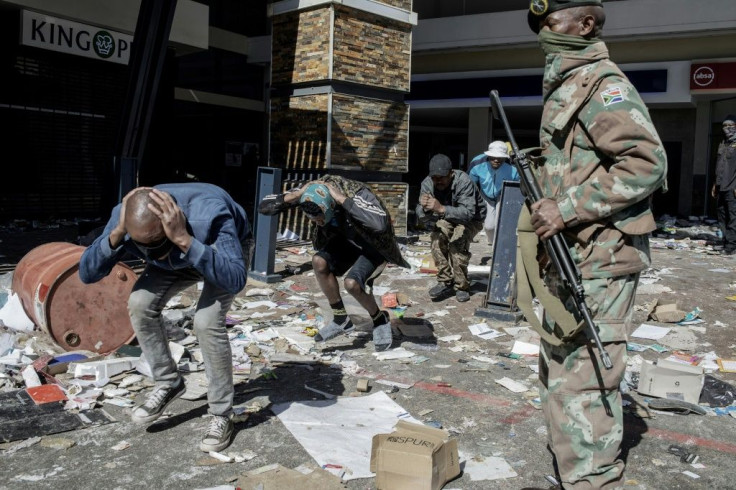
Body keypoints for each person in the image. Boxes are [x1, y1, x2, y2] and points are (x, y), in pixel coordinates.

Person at [524, 1, 667, 488]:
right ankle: (572, 467)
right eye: (539, 24)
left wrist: (565, 209)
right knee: (560, 365)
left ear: (585, 25)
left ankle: (591, 479)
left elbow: (646, 163)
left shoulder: (605, 86)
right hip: (570, 256)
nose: (544, 30)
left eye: (551, 21)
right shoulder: (570, 85)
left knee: (585, 371)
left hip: (602, 256)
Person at [79, 183, 252, 453]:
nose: (153, 253)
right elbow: (86, 274)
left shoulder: (210, 215)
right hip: (176, 257)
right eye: (144, 247)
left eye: (158, 243)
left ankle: (222, 413)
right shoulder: (122, 218)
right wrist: (116, 234)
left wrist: (184, 240)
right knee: (139, 303)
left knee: (206, 321)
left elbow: (234, 279)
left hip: (212, 252)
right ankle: (169, 382)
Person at [259, 175, 409, 351]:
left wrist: (341, 199)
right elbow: (263, 207)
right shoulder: (313, 193)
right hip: (347, 242)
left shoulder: (357, 193)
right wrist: (296, 194)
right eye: (314, 220)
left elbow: (379, 224)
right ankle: (341, 319)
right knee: (319, 262)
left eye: (321, 218)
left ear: (330, 206)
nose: (319, 223)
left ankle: (379, 318)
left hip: (373, 245)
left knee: (352, 284)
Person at [416, 154, 486, 303]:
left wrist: (440, 208)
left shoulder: (464, 181)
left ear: (451, 174)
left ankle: (462, 286)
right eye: (435, 178)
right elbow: (421, 215)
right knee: (437, 238)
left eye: (442, 177)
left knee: (456, 243)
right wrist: (424, 208)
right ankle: (445, 280)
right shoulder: (428, 183)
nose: (438, 181)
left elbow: (468, 213)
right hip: (447, 217)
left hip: (472, 219)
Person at [468, 140, 520, 246]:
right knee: (489, 226)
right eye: (493, 157)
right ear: (488, 155)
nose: (496, 160)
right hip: (485, 195)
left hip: (504, 194)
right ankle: (493, 243)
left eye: (500, 158)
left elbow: (517, 187)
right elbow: (470, 185)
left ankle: (498, 248)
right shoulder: (477, 163)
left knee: (501, 224)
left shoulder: (513, 167)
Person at [711, 114, 736, 255]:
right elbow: (718, 166)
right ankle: (726, 242)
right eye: (725, 126)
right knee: (722, 216)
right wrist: (715, 184)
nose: (727, 128)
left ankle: (731, 247)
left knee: (733, 217)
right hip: (721, 185)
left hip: (732, 187)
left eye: (730, 125)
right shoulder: (722, 144)